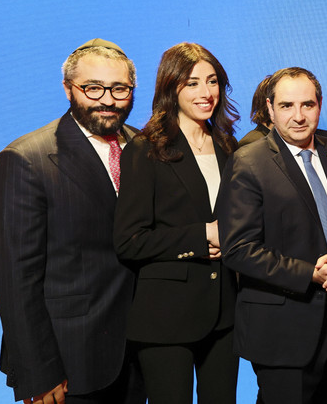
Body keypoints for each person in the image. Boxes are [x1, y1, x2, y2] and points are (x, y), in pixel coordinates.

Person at [0, 39, 145, 404]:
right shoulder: (25, 159)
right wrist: (38, 372)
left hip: (137, 360)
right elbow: (14, 280)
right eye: (93, 88)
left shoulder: (142, 147)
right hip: (66, 367)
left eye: (119, 88)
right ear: (68, 89)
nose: (107, 99)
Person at [216, 67, 327, 404]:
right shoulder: (248, 161)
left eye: (308, 105)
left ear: (320, 105)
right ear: (270, 109)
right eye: (287, 106)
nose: (299, 116)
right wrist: (311, 274)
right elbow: (238, 249)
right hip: (281, 329)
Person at [113, 42, 239, 403]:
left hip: (225, 312)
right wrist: (202, 236)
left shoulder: (228, 145)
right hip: (166, 317)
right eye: (193, 83)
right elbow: (129, 240)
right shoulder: (146, 148)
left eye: (212, 81)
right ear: (171, 88)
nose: (206, 93)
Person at [239, 74, 327, 147]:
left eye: (306, 104)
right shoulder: (251, 145)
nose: (298, 117)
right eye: (287, 105)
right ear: (270, 106)